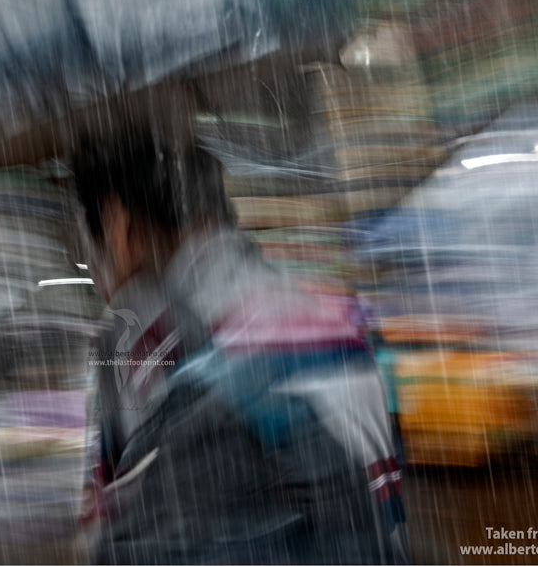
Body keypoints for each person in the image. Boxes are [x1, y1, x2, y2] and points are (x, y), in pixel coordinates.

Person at [72, 117, 408, 564]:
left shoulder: (146, 337)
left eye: (87, 248)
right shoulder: (335, 321)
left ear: (118, 226)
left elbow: (122, 535)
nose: (94, 274)